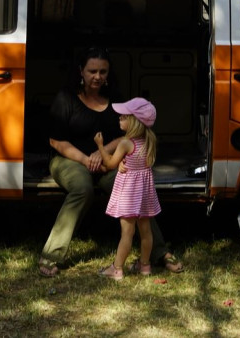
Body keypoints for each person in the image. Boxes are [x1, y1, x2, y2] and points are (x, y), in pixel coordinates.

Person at [37, 46, 182, 277]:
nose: (98, 76)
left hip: (109, 160)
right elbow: (56, 141)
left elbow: (130, 134)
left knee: (135, 190)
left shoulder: (116, 99)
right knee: (83, 188)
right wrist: (87, 159)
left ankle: (160, 252)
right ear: (81, 72)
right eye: (92, 71)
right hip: (69, 159)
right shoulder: (66, 98)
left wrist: (104, 151)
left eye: (103, 71)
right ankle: (52, 255)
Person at [94, 97, 161, 280]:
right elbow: (137, 163)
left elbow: (108, 164)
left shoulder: (125, 143)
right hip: (145, 193)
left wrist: (100, 146)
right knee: (146, 232)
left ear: (134, 121)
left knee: (127, 233)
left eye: (123, 117)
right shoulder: (150, 140)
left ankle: (117, 269)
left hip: (130, 193)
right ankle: (145, 266)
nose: (119, 119)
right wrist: (122, 164)